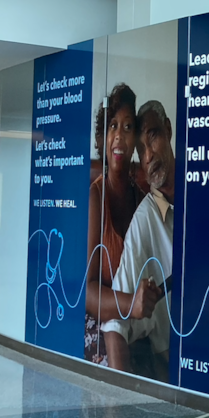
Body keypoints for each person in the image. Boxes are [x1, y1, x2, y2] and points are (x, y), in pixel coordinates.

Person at [111, 99, 176, 382]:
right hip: (179, 369)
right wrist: (117, 398)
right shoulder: (145, 220)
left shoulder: (207, 182)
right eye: (140, 149)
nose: (148, 155)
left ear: (168, 130)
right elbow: (115, 323)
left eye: (153, 137)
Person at [85, 83, 146, 369]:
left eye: (128, 127)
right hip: (102, 320)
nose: (119, 135)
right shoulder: (96, 197)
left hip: (136, 323)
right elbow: (88, 291)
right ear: (102, 137)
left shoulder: (144, 202)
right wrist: (131, 304)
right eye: (112, 126)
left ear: (136, 141)